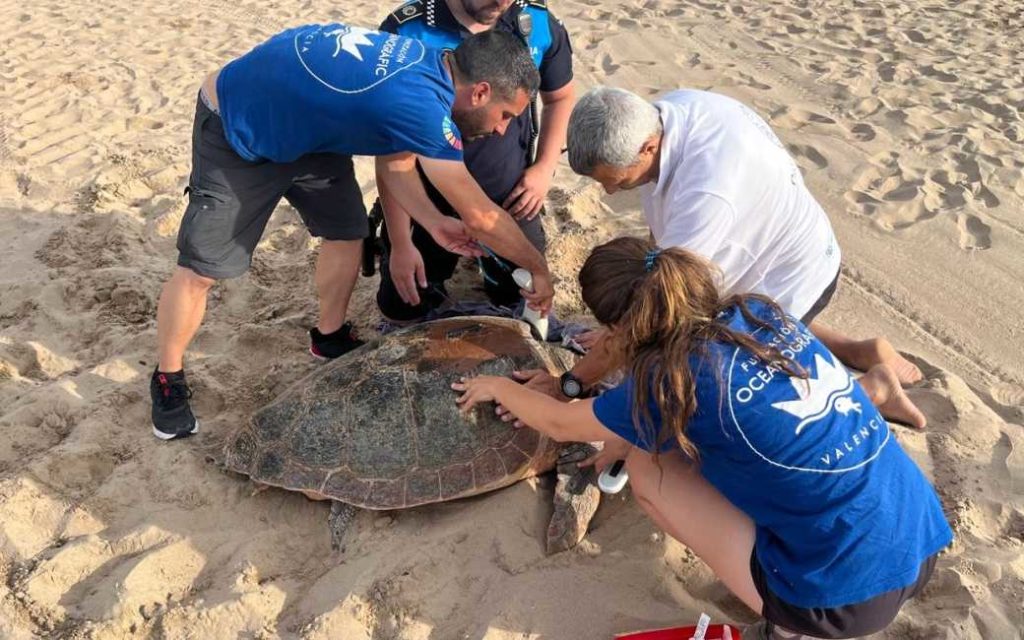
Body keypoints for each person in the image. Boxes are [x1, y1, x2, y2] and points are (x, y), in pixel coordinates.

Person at [452, 237, 953, 640]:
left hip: (842, 604)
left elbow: (560, 423)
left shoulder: (668, 382)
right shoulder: (759, 313)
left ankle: (786, 629)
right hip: (921, 541)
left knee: (648, 468)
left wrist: (494, 385)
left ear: (621, 329)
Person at [151, 24, 556, 440]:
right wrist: (537, 269)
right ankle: (168, 378)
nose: (504, 129)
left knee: (348, 233)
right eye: (506, 115)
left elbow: (397, 164)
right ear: (481, 92)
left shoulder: (431, 67)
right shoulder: (419, 103)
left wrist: (433, 223)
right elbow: (481, 216)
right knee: (203, 269)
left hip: (310, 133)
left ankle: (328, 337)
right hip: (238, 127)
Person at [519, 86, 926, 429]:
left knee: (734, 407)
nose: (608, 192)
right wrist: (611, 342)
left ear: (647, 147)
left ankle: (872, 391)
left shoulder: (706, 194)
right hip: (763, 255)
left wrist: (571, 383)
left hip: (797, 272)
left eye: (614, 180)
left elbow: (656, 312)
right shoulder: (667, 113)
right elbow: (663, 253)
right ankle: (859, 349)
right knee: (721, 314)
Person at [373, 0, 575, 321]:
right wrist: (399, 242)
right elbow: (392, 156)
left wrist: (545, 167)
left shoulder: (534, 21)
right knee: (402, 305)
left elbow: (561, 96)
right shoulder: (407, 30)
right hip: (426, 200)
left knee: (519, 298)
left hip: (509, 197)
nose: (501, 4)